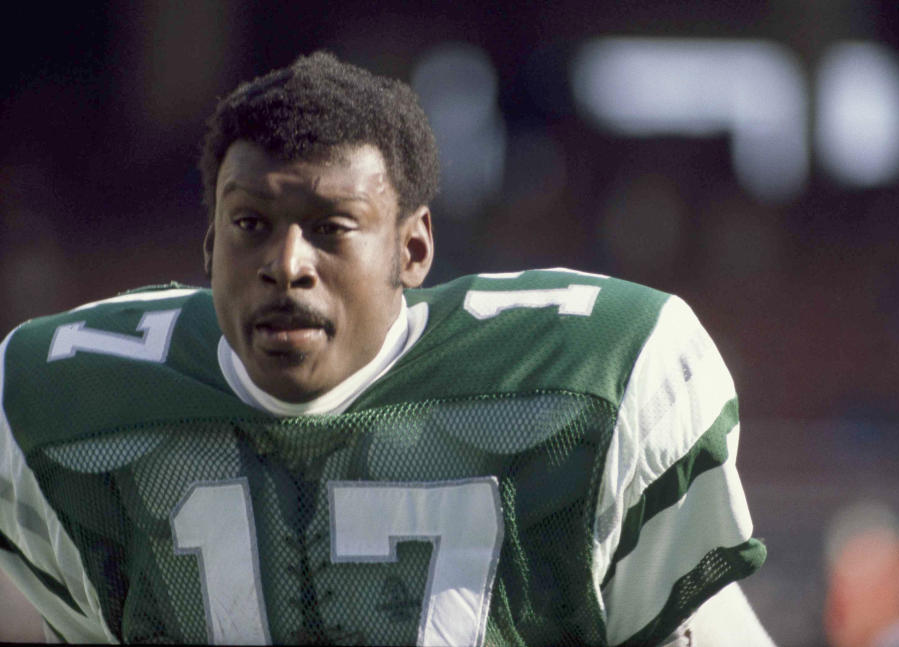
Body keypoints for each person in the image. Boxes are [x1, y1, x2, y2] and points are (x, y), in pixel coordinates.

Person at [0, 50, 773, 645]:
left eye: (332, 227)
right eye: (251, 225)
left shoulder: (591, 378)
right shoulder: (62, 398)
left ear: (412, 249)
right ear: (208, 247)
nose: (287, 263)